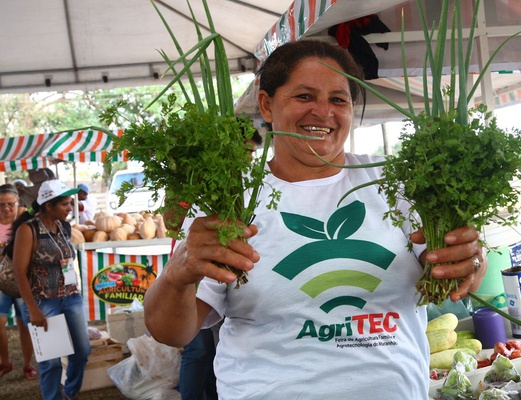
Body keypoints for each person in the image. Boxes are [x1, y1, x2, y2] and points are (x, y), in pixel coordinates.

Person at [144, 40, 487, 399]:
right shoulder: (230, 199)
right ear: (267, 104)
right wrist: (177, 275)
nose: (323, 112)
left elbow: (456, 272)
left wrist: (468, 262)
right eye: (305, 96)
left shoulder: (398, 182)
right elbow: (171, 332)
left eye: (338, 100)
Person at [177, 128, 263, 400]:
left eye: (252, 153)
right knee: (196, 348)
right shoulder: (205, 186)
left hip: (230, 281)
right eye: (245, 152)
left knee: (214, 347)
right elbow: (172, 223)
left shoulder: (247, 188)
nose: (249, 159)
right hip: (200, 279)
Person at [6, 179, 91, 400]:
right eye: (64, 204)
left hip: (71, 298)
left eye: (70, 203)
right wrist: (33, 309)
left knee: (82, 352)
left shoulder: (65, 226)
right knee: (51, 362)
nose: (70, 208)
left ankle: (69, 393)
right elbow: (19, 272)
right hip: (42, 302)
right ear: (48, 206)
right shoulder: (28, 230)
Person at [0, 184, 37, 380]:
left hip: (23, 281)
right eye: (1, 205)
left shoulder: (25, 219)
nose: (6, 208)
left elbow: (37, 207)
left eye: (10, 204)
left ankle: (27, 365)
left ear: (17, 203)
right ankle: (5, 362)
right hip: (0, 285)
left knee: (25, 324)